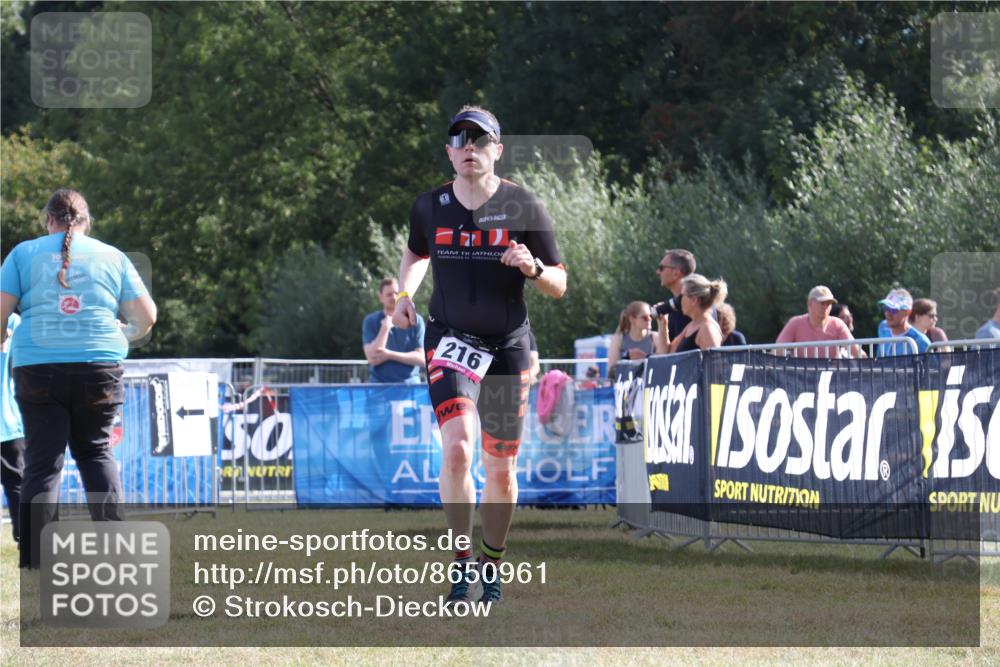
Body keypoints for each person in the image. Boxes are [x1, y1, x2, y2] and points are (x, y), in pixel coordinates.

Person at [392, 106, 566, 605]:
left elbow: (560, 283)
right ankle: (462, 561)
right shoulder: (429, 206)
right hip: (451, 340)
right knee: (458, 449)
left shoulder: (524, 205)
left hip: (508, 346)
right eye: (459, 139)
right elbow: (415, 253)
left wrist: (534, 268)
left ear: (497, 150)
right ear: (449, 152)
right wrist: (403, 296)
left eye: (480, 139)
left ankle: (492, 563)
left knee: (501, 468)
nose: (469, 146)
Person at [0, 188, 156, 568]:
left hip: (38, 367)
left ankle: (37, 560)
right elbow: (147, 317)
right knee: (96, 453)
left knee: (43, 463)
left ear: (48, 221)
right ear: (87, 221)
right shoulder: (113, 256)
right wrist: (126, 332)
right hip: (99, 367)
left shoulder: (22, 254)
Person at [362, 278, 425, 384]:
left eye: (396, 293)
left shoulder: (415, 319)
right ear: (380, 297)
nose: (394, 297)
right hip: (379, 387)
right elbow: (372, 358)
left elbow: (422, 359)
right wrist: (385, 327)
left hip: (410, 387)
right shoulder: (371, 321)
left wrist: (389, 355)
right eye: (389, 294)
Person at [775, 286, 857, 358]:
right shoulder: (795, 323)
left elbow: (857, 352)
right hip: (803, 371)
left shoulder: (838, 324)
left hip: (832, 371)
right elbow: (777, 351)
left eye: (829, 303)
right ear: (810, 303)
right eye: (822, 303)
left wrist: (865, 362)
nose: (826, 307)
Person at [1, 313, 25, 542]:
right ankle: (28, 543)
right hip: (7, 418)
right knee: (17, 483)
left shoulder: (14, 322)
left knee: (17, 483)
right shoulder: (14, 321)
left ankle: (27, 540)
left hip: (7, 418)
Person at [669, 274, 727, 353]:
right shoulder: (692, 325)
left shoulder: (707, 329)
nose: (679, 300)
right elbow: (667, 353)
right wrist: (662, 324)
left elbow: (714, 361)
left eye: (682, 296)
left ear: (694, 300)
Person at [607, 301, 667, 376]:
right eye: (645, 317)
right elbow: (611, 370)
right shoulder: (619, 339)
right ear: (632, 319)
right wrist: (627, 358)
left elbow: (663, 362)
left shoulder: (655, 337)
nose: (649, 319)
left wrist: (644, 358)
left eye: (651, 316)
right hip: (626, 381)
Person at [653, 249, 697, 348]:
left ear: (676, 273)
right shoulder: (674, 307)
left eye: (661, 268)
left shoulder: (695, 306)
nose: (658, 272)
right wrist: (663, 326)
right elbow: (670, 352)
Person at [876, 288, 929, 356]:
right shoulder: (883, 327)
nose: (887, 313)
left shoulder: (920, 341)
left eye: (893, 310)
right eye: (886, 308)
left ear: (908, 312)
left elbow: (933, 362)